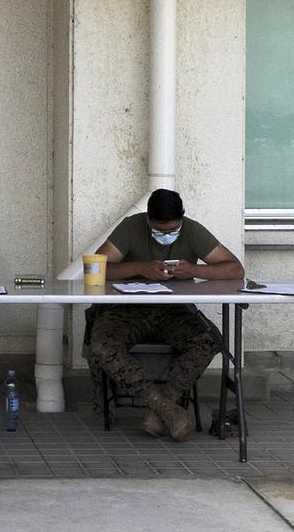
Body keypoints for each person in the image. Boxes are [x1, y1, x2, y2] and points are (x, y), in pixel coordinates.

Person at [84, 189, 244, 441]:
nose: (167, 235)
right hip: (128, 309)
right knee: (101, 345)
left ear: (182, 218)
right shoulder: (131, 227)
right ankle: (165, 407)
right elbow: (97, 268)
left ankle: (160, 408)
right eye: (160, 230)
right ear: (148, 219)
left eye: (173, 230)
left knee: (209, 339)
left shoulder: (192, 231)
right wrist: (139, 268)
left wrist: (193, 270)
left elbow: (235, 269)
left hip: (174, 310)